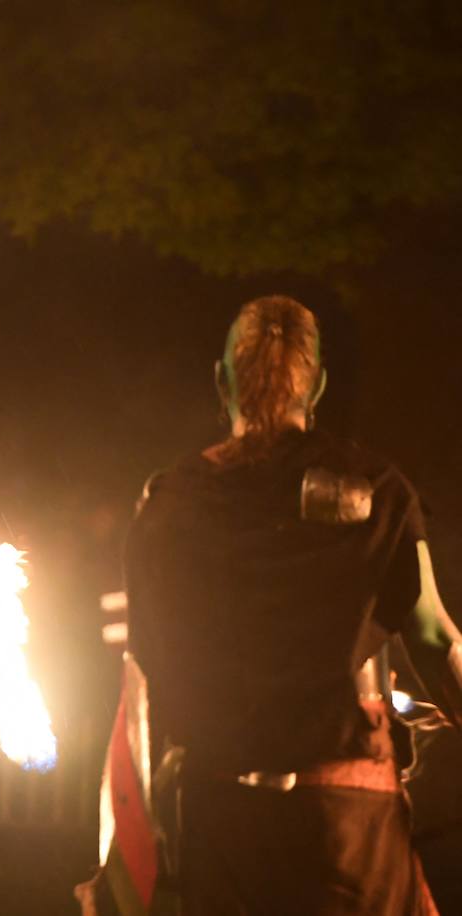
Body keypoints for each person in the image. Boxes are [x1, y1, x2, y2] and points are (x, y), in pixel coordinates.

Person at [118, 295, 459, 914]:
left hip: (222, 820)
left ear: (221, 382)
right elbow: (436, 641)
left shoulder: (169, 502)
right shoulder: (376, 489)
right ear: (318, 385)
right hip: (345, 824)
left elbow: (147, 666)